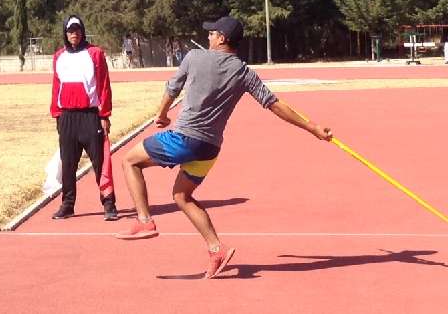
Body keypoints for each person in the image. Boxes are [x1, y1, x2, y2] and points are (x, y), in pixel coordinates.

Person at [114, 16, 333, 279]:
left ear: (222, 38)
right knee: (182, 196)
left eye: (212, 33)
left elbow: (172, 87)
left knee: (130, 161)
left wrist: (161, 115)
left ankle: (144, 220)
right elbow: (274, 104)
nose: (208, 37)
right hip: (209, 149)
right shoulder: (243, 72)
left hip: (184, 138)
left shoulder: (194, 57)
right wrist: (312, 128)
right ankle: (216, 249)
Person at [50, 15, 118, 221]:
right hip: (67, 117)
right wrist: (57, 114)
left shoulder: (95, 54)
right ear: (65, 32)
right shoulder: (58, 56)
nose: (74, 34)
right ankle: (67, 204)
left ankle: (109, 203)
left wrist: (104, 114)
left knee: (100, 162)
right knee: (68, 163)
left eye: (78, 30)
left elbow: (104, 84)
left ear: (83, 31)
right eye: (70, 30)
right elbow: (56, 86)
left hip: (90, 116)